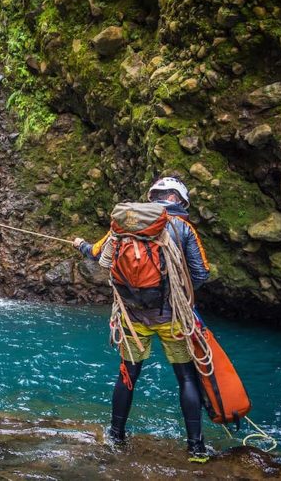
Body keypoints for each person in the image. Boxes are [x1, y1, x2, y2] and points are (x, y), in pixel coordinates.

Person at [72, 176, 210, 462]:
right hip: (172, 316)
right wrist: (179, 293)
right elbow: (200, 273)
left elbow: (99, 255)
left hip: (132, 317)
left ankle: (116, 436)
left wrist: (82, 245)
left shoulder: (123, 225)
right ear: (180, 201)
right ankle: (196, 448)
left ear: (153, 197)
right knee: (186, 378)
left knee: (128, 375)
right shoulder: (183, 227)